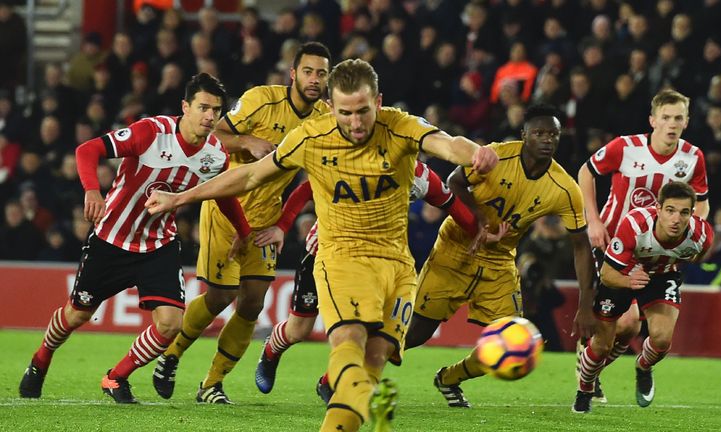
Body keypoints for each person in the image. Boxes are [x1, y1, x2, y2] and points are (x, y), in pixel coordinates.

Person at [145, 58, 498, 432]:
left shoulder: (400, 126)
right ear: (331, 107)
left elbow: (445, 143)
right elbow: (248, 175)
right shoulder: (311, 136)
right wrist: (180, 199)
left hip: (397, 264)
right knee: (348, 339)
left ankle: (358, 399)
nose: (357, 122)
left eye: (364, 111)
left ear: (378, 102)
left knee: (375, 358)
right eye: (346, 112)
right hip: (341, 257)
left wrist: (475, 153)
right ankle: (344, 391)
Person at [18, 73, 251, 403]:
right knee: (77, 315)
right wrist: (92, 192)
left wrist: (243, 232)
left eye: (216, 110)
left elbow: (223, 194)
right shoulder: (151, 132)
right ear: (185, 107)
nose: (210, 116)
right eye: (203, 107)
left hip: (158, 244)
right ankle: (41, 358)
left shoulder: (214, 154)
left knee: (170, 323)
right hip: (111, 239)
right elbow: (87, 150)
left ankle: (116, 377)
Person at [151, 42, 332, 404]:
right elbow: (212, 134)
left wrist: (282, 223)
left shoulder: (324, 120)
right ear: (293, 73)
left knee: (252, 303)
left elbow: (313, 180)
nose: (315, 79)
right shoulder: (261, 100)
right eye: (308, 71)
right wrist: (246, 140)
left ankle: (211, 384)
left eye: (322, 73)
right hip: (226, 208)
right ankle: (170, 355)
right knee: (220, 297)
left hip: (265, 218)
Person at [403, 104, 595, 408]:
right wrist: (478, 218)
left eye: (553, 134)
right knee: (416, 333)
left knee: (514, 341)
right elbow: (454, 181)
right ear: (524, 135)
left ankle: (449, 378)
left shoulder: (564, 189)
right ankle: (355, 370)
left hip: (499, 261)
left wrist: (586, 306)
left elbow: (582, 246)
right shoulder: (498, 155)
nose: (546, 140)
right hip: (455, 247)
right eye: (539, 133)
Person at [250, 159, 487, 399]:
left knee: (372, 331)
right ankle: (271, 350)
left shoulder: (419, 175)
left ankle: (330, 381)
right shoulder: (357, 159)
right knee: (299, 330)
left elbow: (451, 204)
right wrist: (282, 226)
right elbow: (307, 189)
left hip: (380, 261)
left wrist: (477, 231)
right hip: (327, 252)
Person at [576, 89, 709, 402]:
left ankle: (595, 369)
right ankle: (590, 371)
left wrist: (692, 234)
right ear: (653, 120)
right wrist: (593, 221)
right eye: (666, 117)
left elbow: (701, 203)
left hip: (661, 252)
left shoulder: (693, 157)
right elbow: (586, 171)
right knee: (627, 323)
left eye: (678, 118)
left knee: (633, 330)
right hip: (615, 242)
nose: (671, 124)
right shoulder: (626, 147)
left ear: (687, 121)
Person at [573, 181, 713, 413]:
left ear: (692, 213)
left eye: (684, 212)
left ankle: (643, 367)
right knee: (602, 346)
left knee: (661, 340)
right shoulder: (635, 224)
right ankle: (585, 387)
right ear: (658, 208)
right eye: (670, 210)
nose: (676, 219)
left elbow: (695, 257)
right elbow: (607, 274)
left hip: (662, 276)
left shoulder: (701, 235)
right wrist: (629, 281)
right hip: (624, 273)